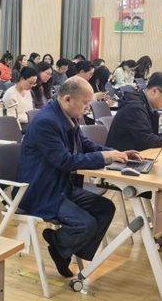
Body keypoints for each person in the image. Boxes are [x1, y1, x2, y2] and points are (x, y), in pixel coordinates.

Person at [18, 77, 139, 277]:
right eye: (85, 102)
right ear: (68, 99)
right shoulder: (46, 122)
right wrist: (104, 158)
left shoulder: (68, 116)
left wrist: (116, 153)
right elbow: (64, 161)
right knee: (85, 224)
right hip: (41, 190)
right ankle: (60, 246)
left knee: (105, 209)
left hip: (61, 186)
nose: (88, 107)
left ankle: (63, 249)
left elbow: (86, 146)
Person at [105, 72, 162, 252]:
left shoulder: (144, 105)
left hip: (137, 157)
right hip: (121, 163)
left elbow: (149, 136)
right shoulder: (134, 108)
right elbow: (147, 140)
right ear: (154, 91)